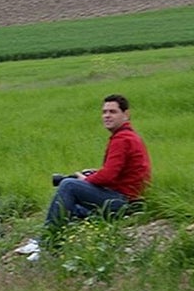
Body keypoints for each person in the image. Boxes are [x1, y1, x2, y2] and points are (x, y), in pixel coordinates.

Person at [16, 95, 151, 260]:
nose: (107, 116)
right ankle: (52, 243)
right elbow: (116, 173)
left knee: (68, 185)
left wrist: (85, 180)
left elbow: (108, 176)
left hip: (121, 201)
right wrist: (94, 174)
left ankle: (46, 243)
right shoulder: (127, 137)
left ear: (126, 114)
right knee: (72, 206)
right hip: (128, 200)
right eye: (104, 112)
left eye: (113, 112)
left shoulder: (122, 139)